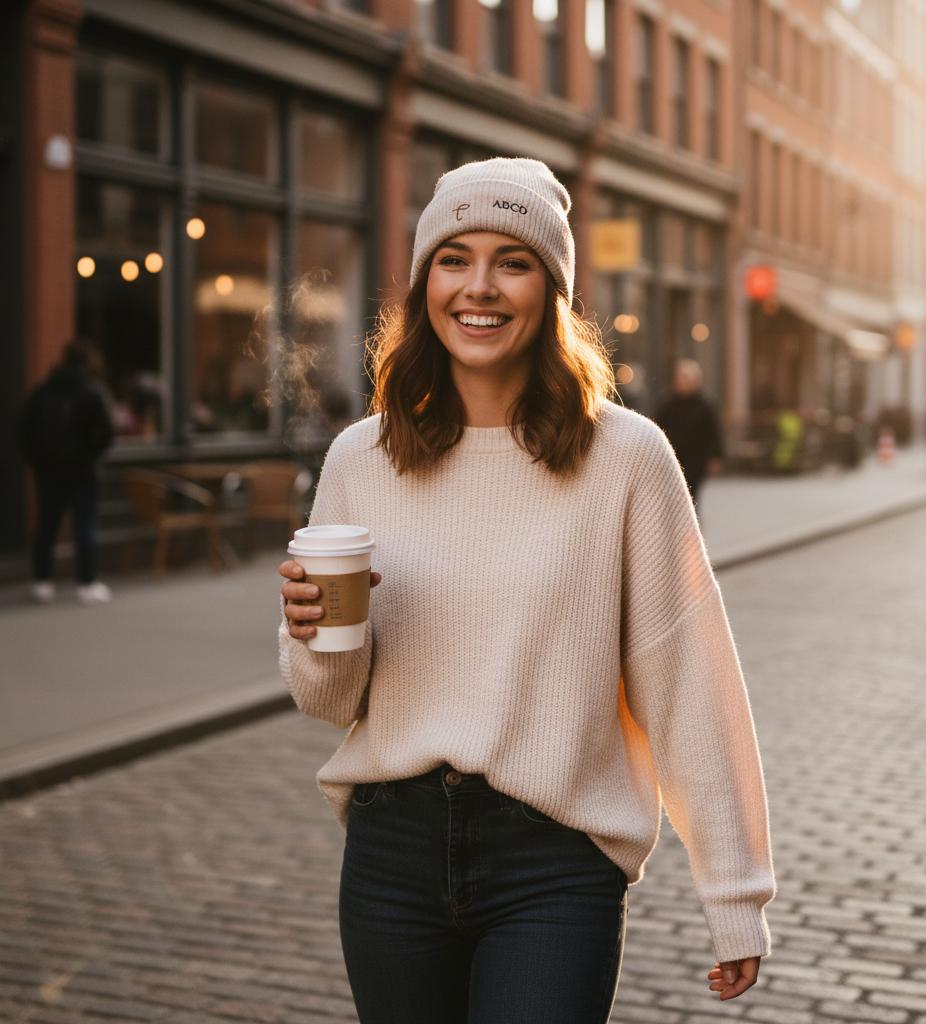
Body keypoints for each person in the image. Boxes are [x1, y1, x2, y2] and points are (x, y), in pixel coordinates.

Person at [278, 157, 775, 1022]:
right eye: (454, 257)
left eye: (513, 261)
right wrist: (316, 633)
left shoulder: (626, 457)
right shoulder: (361, 458)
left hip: (554, 864)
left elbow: (689, 679)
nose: (480, 286)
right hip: (392, 855)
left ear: (552, 288)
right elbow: (330, 701)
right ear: (426, 279)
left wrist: (735, 893)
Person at [18, 339, 115, 604]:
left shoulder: (43, 391)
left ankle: (42, 582)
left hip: (49, 471)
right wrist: (90, 455)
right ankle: (86, 583)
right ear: (86, 363)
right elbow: (106, 432)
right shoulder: (92, 392)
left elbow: (24, 430)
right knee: (84, 526)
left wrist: (38, 461)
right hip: (83, 471)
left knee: (47, 526)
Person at [653, 358, 724, 518]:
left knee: (691, 495)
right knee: (672, 497)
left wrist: (715, 456)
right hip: (672, 457)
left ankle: (689, 533)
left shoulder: (704, 405)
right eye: (680, 378)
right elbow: (656, 428)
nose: (682, 382)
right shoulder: (668, 403)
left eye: (686, 378)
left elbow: (713, 432)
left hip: (696, 460)